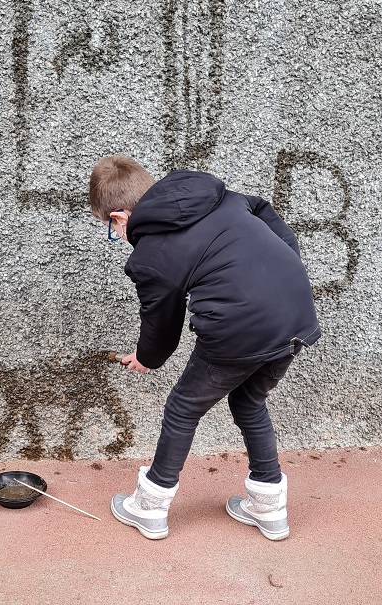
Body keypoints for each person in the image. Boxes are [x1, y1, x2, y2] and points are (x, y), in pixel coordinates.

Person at [89, 154, 320, 541]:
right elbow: (265, 211)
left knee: (183, 407)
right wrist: (283, 272)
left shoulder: (151, 257)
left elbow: (162, 325)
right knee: (248, 401)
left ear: (119, 217)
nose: (117, 236)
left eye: (111, 228)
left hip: (240, 329)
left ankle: (150, 506)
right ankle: (269, 507)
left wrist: (146, 359)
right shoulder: (218, 197)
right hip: (295, 316)